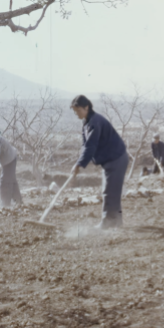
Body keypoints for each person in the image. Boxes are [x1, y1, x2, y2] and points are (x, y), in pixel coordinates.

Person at [70, 95, 128, 229]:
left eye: (78, 110)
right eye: (74, 111)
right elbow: (85, 146)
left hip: (116, 159)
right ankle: (116, 222)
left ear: (87, 107)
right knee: (111, 190)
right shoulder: (87, 122)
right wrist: (79, 163)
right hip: (113, 159)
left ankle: (107, 222)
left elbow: (90, 146)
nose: (76, 113)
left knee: (109, 191)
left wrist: (79, 164)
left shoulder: (94, 122)